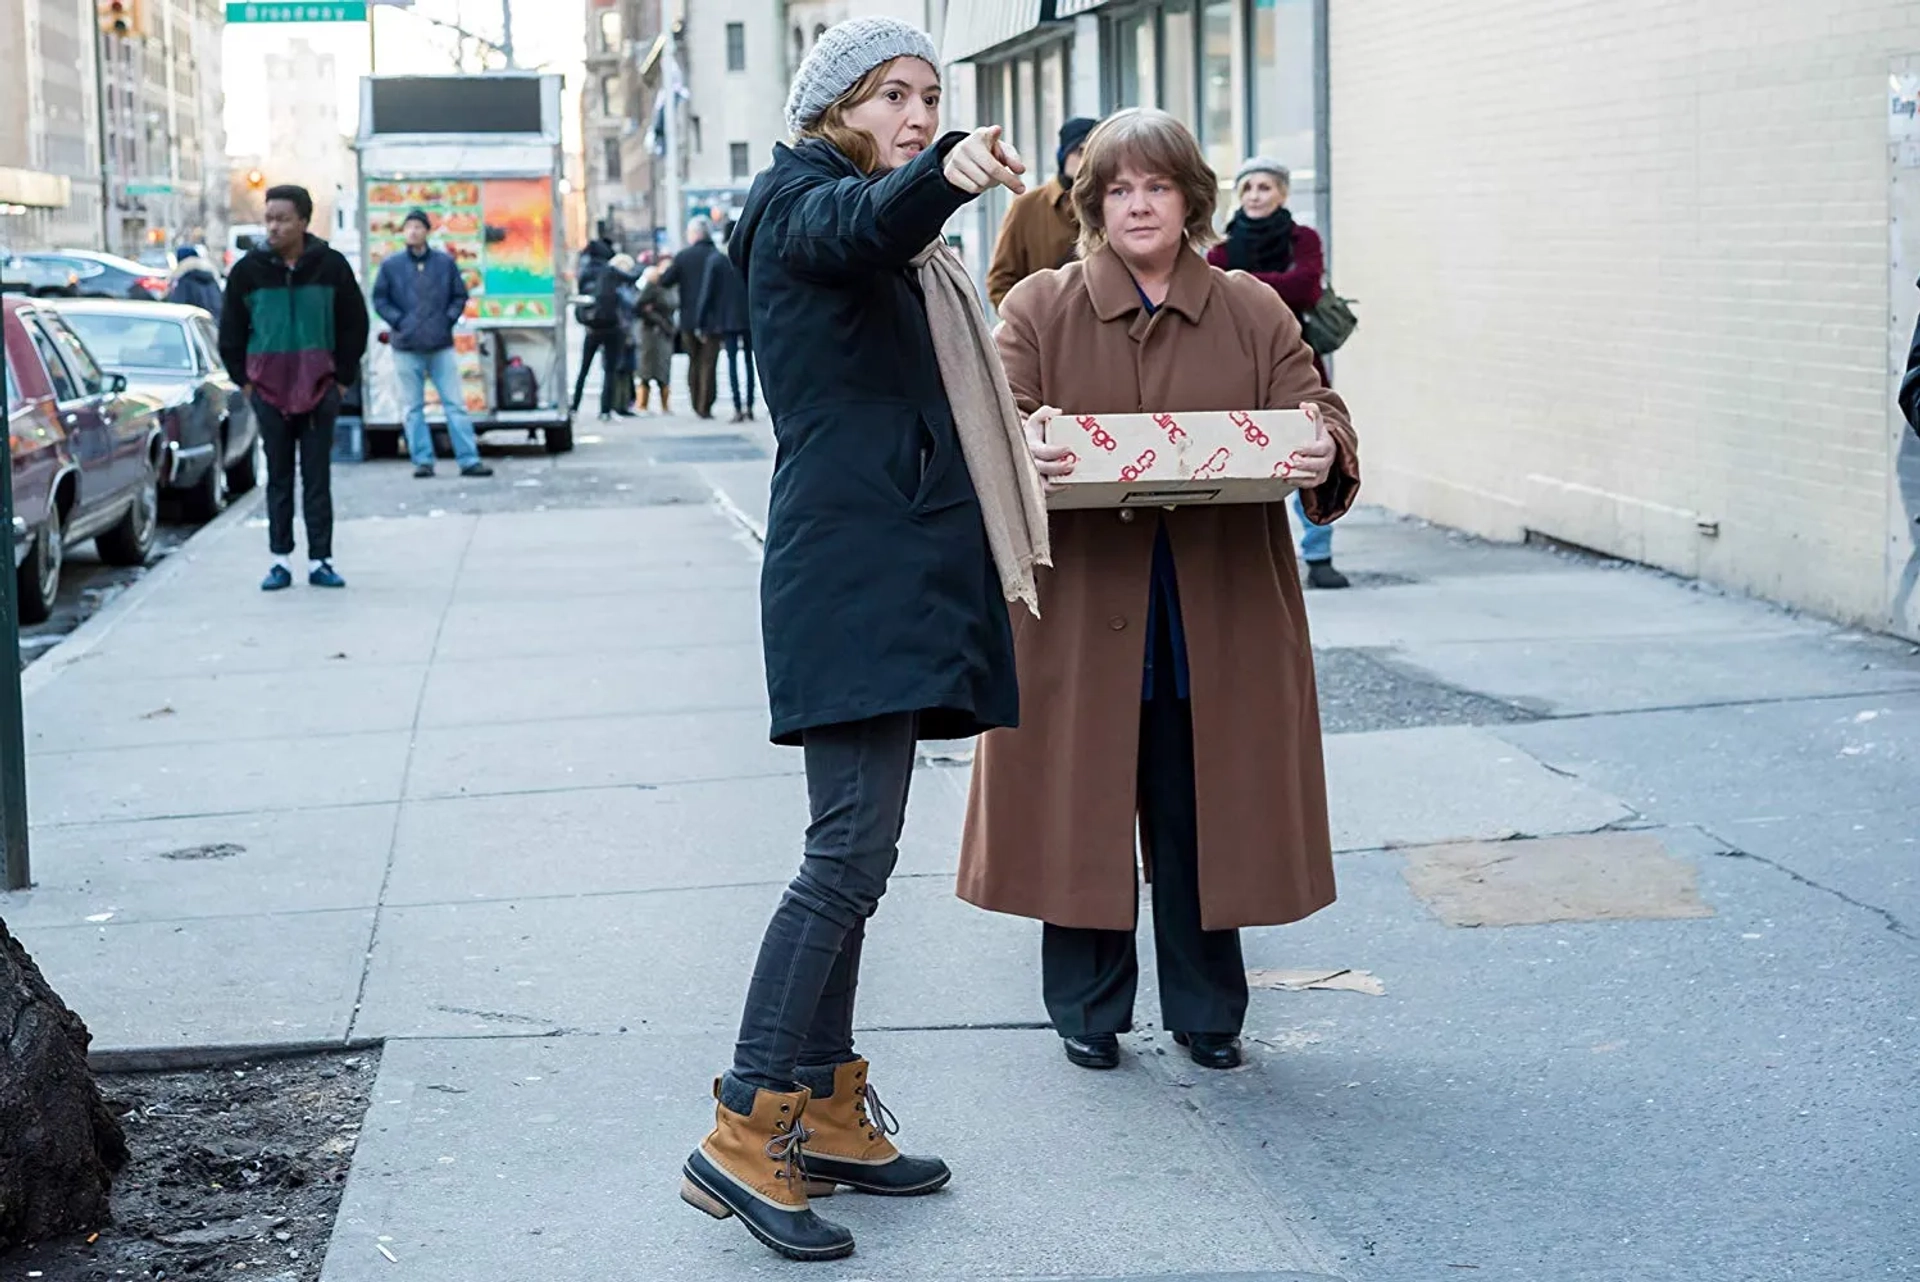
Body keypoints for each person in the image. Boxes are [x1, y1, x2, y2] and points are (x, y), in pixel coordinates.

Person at [679, 17, 1041, 1263]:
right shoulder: (801, 205)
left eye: (931, 96)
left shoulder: (851, 204)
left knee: (863, 854)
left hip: (887, 567)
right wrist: (941, 172)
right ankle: (745, 1124)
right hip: (851, 570)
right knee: (844, 853)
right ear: (834, 105)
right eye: (895, 94)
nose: (916, 111)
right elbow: (863, 225)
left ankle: (826, 1103)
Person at [959, 109, 1360, 1076]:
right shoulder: (1040, 308)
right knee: (1081, 798)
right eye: (1119, 190)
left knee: (1203, 804)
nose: (1139, 205)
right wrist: (1026, 449)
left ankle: (1209, 1009)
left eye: (1159, 187)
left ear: (1191, 201)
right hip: (1080, 614)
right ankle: (1087, 1010)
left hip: (1213, 610)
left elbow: (1318, 407)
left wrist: (1320, 447)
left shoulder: (1254, 307)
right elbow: (990, 423)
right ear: (1093, 205)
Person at [1206, 158, 1348, 589]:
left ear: (1282, 193)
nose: (1254, 196)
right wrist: (1269, 284)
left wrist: (1241, 283)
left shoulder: (1302, 238)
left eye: (1265, 187)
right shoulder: (1223, 245)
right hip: (1236, 366)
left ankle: (1319, 554)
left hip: (1297, 362)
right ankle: (1243, 555)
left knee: (1309, 452)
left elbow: (1306, 287)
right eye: (1247, 188)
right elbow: (1212, 291)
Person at [218, 183, 368, 592]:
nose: (274, 228)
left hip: (321, 390)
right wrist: (247, 384)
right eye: (269, 219)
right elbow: (230, 332)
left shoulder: (331, 266)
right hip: (268, 392)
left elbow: (355, 325)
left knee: (317, 477)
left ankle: (321, 560)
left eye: (283, 219)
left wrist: (340, 380)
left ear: (303, 221)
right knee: (279, 477)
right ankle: (279, 560)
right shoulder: (248, 271)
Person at [371, 209, 495, 480]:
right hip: (405, 345)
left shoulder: (444, 263)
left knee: (455, 405)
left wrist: (446, 321)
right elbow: (380, 299)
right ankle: (423, 461)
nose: (413, 231)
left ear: (427, 231)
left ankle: (469, 459)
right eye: (409, 227)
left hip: (440, 344)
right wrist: (400, 321)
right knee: (413, 408)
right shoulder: (391, 266)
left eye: (418, 227)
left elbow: (459, 295)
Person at [984, 116, 1095, 307]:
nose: (1086, 160)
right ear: (1064, 154)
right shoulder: (1027, 207)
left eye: (1094, 153)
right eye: (1080, 151)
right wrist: (1028, 326)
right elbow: (1000, 281)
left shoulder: (1108, 205)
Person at [661, 218, 723, 418]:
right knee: (709, 364)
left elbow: (666, 281)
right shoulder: (718, 256)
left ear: (695, 234)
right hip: (713, 320)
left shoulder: (683, 257)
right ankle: (706, 404)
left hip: (689, 318)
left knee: (693, 361)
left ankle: (696, 402)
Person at [570, 251, 636, 420]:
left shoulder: (588, 273)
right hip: (612, 328)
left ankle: (575, 407)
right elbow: (629, 302)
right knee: (609, 371)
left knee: (584, 369)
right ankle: (605, 410)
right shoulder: (614, 276)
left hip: (592, 328)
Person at [699, 249, 755, 421]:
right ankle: (750, 405)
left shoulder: (717, 260)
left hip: (727, 317)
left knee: (732, 363)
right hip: (748, 315)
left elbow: (708, 291)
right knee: (749, 362)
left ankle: (737, 406)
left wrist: (701, 320)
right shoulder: (747, 254)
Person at [635, 255, 678, 413]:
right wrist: (656, 318)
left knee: (664, 368)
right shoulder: (652, 286)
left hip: (665, 333)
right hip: (651, 332)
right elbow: (640, 306)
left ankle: (665, 404)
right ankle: (643, 403)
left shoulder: (671, 287)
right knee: (647, 368)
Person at [166, 245, 223, 322]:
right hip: (213, 328)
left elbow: (176, 309)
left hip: (194, 327)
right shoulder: (212, 280)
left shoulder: (185, 282)